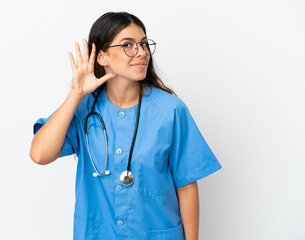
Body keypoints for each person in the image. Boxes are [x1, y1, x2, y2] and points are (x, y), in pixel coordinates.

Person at [30, 11, 222, 240]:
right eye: (128, 45)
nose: (141, 52)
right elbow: (40, 154)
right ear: (102, 57)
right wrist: (76, 94)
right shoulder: (84, 109)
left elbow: (187, 186)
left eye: (143, 44)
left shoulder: (170, 110)